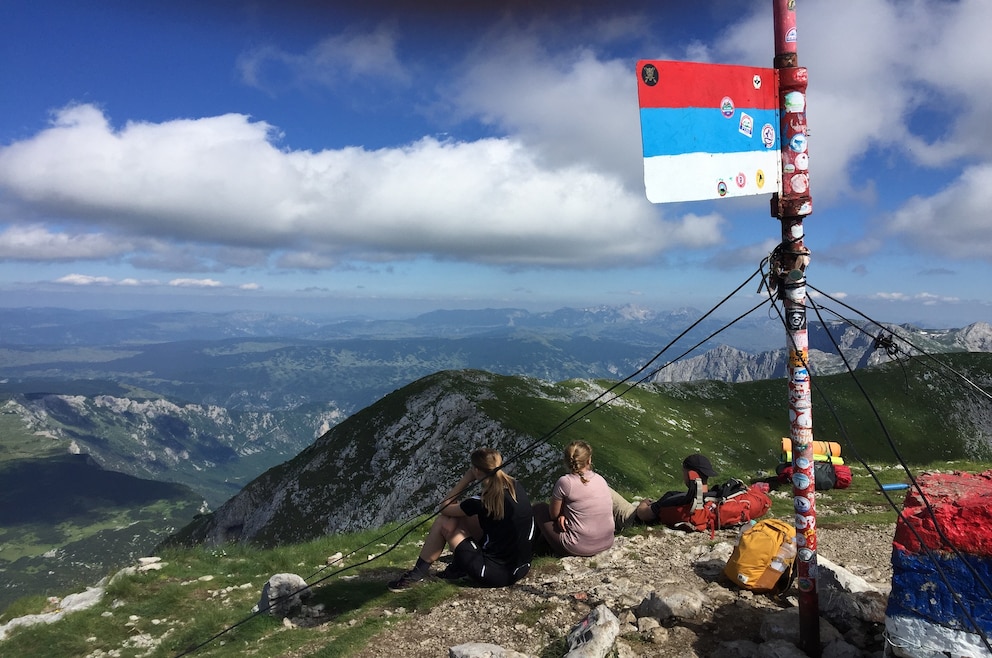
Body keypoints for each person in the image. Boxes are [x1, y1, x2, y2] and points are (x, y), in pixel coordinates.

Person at [387, 447, 535, 591]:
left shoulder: (480, 502)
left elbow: (444, 507)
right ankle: (457, 568)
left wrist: (466, 479)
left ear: (477, 470)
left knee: (444, 521)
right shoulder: (515, 487)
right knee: (464, 517)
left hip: (492, 574)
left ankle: (415, 575)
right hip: (521, 567)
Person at [531, 440, 615, 557]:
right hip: (607, 541)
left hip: (579, 547)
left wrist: (561, 515)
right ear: (589, 460)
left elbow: (553, 515)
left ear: (566, 460)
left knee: (539, 508)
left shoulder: (565, 482)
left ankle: (533, 551)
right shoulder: (600, 479)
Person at [610, 453, 718, 531]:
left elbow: (643, 514)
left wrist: (643, 503)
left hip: (633, 520)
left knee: (607, 491)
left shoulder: (674, 498)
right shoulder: (712, 499)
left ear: (690, 474)